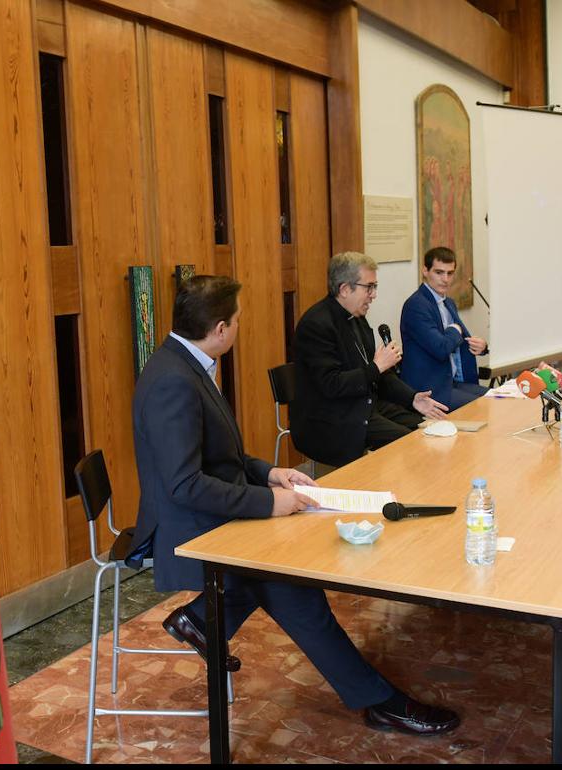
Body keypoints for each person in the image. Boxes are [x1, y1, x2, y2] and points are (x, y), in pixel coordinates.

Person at [128, 274, 459, 736]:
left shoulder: (187, 364)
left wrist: (269, 473)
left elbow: (221, 454)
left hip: (214, 504)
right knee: (291, 585)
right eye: (239, 320)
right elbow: (184, 485)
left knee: (288, 580)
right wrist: (268, 502)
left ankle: (203, 618)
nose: (240, 327)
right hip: (189, 525)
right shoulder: (172, 382)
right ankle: (379, 701)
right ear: (220, 328)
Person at [292, 251, 448, 468]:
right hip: (332, 417)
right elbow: (332, 385)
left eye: (375, 287)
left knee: (430, 428)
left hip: (364, 405)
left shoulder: (357, 318)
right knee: (410, 443)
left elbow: (380, 376)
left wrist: (412, 398)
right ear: (345, 289)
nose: (374, 295)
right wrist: (377, 366)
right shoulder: (316, 325)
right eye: (369, 287)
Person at [399, 246, 489, 411]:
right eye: (439, 272)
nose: (445, 279)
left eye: (450, 273)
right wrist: (454, 330)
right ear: (425, 271)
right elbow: (441, 347)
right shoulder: (416, 305)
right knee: (484, 407)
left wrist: (482, 346)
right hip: (430, 389)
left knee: (495, 397)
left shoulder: (448, 303)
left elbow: (462, 339)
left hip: (452, 382)